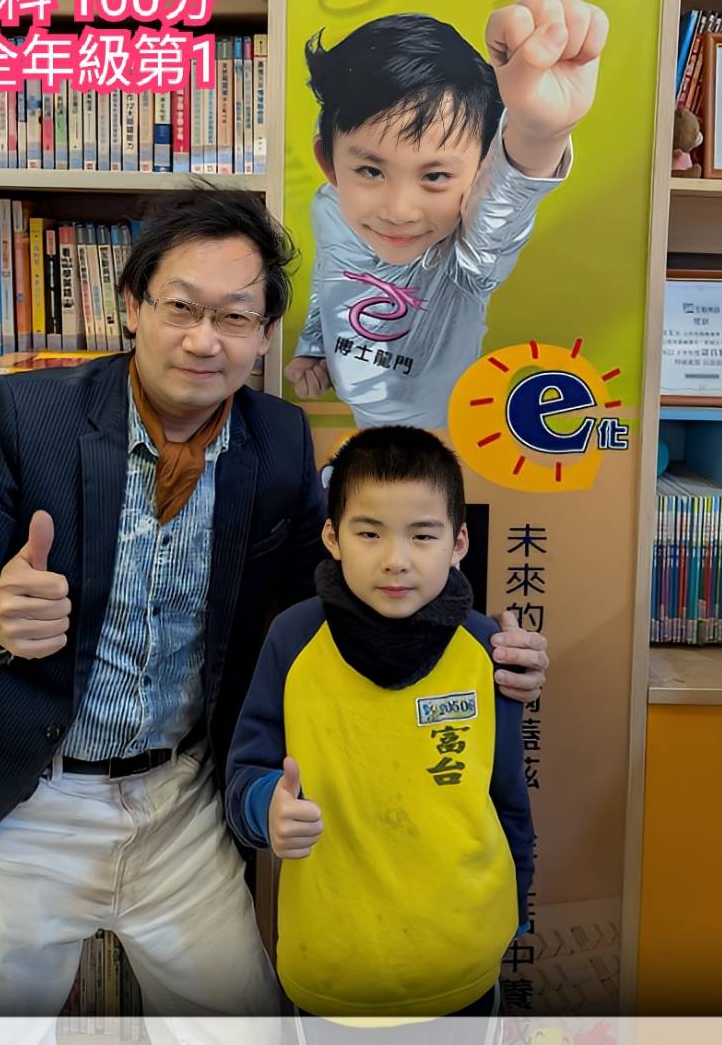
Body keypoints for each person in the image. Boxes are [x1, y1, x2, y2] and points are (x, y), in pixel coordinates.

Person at [0, 190, 549, 1033]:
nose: (205, 340)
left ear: (265, 334)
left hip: (183, 801)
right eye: (182, 308)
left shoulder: (277, 439)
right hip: (28, 802)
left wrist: (480, 642)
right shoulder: (31, 415)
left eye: (235, 316)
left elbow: (343, 591)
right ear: (132, 306)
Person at [225, 426, 533, 1036]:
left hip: (465, 958)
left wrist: (516, 906)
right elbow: (245, 774)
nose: (396, 559)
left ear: (458, 542)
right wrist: (268, 809)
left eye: (423, 535)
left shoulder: (486, 646)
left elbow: (508, 797)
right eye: (369, 533)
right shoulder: (293, 639)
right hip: (332, 966)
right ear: (332, 538)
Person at [285, 0, 609, 429]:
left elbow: (505, 204)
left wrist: (540, 132)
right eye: (370, 171)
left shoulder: (466, 257)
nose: (399, 211)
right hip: (352, 424)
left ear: (479, 174)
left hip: (440, 436)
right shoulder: (329, 207)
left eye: (435, 176)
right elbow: (330, 273)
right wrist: (313, 348)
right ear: (329, 164)